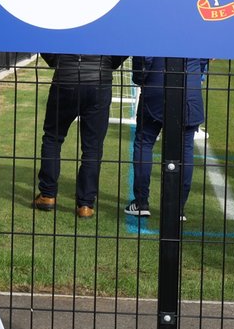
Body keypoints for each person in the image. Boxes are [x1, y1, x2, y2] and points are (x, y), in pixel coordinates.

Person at [32, 54, 127, 218]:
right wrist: (107, 63)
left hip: (66, 77)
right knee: (92, 147)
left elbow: (46, 41)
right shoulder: (106, 27)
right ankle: (85, 204)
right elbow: (122, 48)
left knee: (53, 138)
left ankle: (47, 195)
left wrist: (58, 61)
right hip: (99, 79)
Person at [125, 57, 207, 220]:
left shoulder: (154, 30)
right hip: (189, 90)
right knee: (185, 148)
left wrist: (140, 78)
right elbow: (204, 59)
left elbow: (144, 57)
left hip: (157, 88)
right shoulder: (197, 31)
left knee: (144, 142)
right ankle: (177, 208)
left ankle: (141, 202)